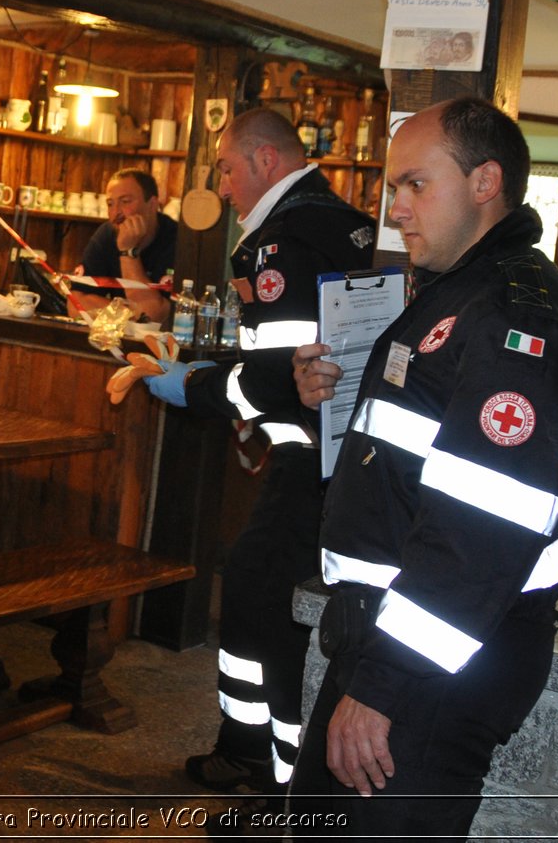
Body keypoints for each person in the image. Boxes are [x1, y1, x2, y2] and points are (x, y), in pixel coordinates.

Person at [288, 97, 558, 839]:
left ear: (486, 181)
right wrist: (324, 403)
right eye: (392, 187)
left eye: (416, 185)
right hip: (395, 643)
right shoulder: (457, 295)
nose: (395, 208)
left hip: (434, 668)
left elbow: (481, 528)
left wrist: (384, 685)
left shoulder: (513, 320)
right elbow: (400, 466)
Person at [140, 108, 374, 800]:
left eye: (227, 166)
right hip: (336, 456)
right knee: (261, 589)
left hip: (312, 461)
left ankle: (266, 768)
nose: (223, 181)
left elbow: (282, 373)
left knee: (257, 594)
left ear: (267, 160)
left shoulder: (282, 240)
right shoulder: (342, 220)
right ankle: (254, 752)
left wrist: (197, 387)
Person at [74, 167, 177, 321]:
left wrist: (128, 252)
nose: (116, 212)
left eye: (125, 201)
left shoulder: (177, 240)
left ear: (152, 204)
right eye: (110, 204)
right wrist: (130, 313)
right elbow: (76, 303)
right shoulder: (106, 235)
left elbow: (152, 316)